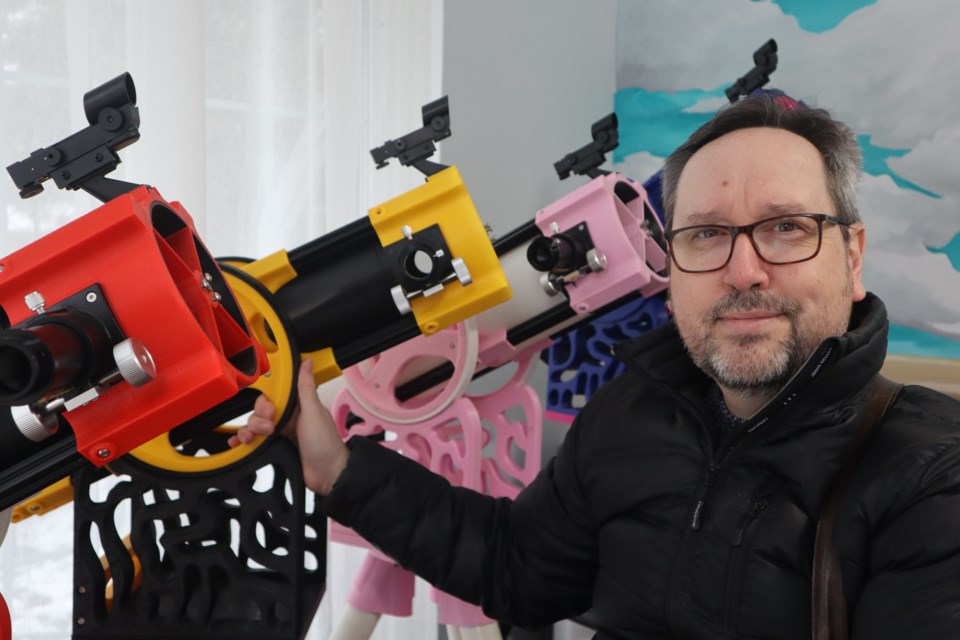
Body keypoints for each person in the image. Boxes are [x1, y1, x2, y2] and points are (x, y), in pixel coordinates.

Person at [232, 93, 960, 639]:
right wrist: (336, 469)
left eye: (786, 228)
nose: (744, 270)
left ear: (853, 256)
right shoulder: (631, 414)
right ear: (672, 264)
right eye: (706, 235)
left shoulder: (932, 478)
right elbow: (517, 569)